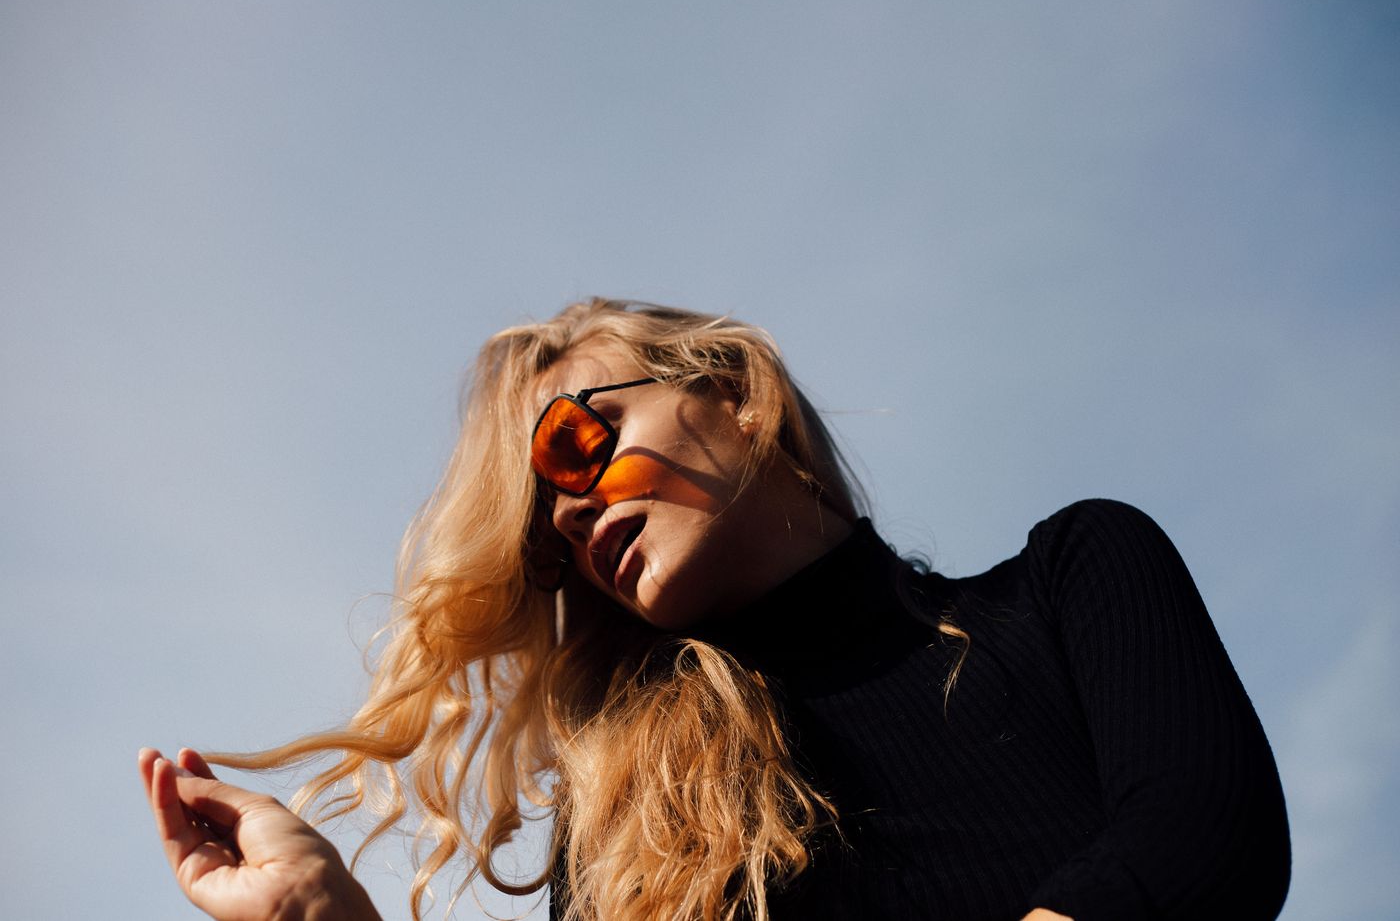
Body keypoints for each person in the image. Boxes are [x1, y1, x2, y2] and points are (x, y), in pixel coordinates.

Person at [139, 298, 1291, 920]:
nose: (570, 514)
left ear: (736, 391)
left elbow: (1201, 844)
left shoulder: (1073, 579)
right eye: (542, 534)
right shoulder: (626, 820)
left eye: (575, 445)